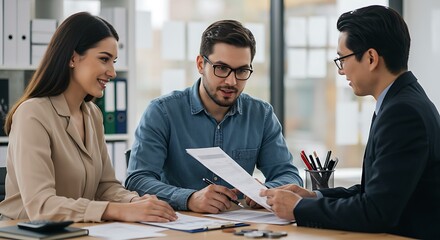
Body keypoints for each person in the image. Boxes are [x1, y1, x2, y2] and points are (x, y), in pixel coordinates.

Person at [260, 5, 440, 239]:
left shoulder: (402, 112)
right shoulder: (402, 101)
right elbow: (375, 192)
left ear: (371, 58)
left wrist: (297, 208)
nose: (341, 70)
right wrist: (313, 197)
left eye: (342, 59)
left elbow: (375, 211)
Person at [0, 12, 177, 223]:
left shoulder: (93, 114)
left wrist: (135, 202)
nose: (112, 72)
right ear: (73, 57)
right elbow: (41, 205)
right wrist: (118, 211)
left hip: (78, 231)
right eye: (104, 59)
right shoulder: (32, 114)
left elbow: (105, 186)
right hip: (25, 233)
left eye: (114, 61)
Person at [125, 20, 302, 213]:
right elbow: (137, 180)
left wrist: (268, 192)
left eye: (242, 70)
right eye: (222, 68)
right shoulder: (162, 112)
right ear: (201, 64)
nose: (231, 81)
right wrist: (189, 198)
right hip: (177, 227)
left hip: (239, 227)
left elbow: (288, 175)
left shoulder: (261, 115)